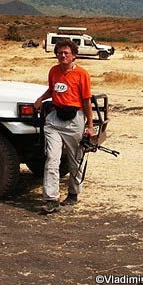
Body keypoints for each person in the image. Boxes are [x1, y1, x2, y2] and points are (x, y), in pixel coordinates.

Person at [34, 39, 94, 213]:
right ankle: (51, 199)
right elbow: (52, 90)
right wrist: (41, 99)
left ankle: (73, 193)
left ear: (74, 55)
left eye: (66, 53)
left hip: (75, 119)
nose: (62, 55)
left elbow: (86, 101)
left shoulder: (82, 74)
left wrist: (89, 126)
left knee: (75, 159)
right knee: (52, 158)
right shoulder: (53, 71)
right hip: (55, 119)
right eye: (60, 52)